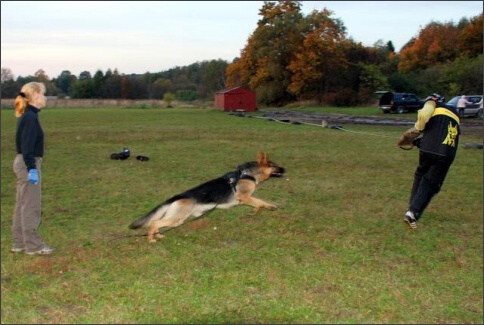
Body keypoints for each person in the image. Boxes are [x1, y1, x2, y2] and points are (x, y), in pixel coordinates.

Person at [397, 93, 460, 229]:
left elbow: (424, 117)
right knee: (431, 182)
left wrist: (417, 130)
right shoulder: (454, 113)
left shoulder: (432, 103)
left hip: (428, 150)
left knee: (421, 174)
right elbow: (443, 133)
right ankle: (412, 212)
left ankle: (413, 206)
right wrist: (418, 141)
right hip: (446, 153)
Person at [11, 82, 54, 255]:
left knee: (22, 203)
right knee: (31, 206)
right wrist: (32, 169)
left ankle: (19, 242)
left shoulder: (29, 115)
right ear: (35, 95)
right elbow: (27, 147)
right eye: (43, 94)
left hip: (24, 163)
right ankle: (33, 245)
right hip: (28, 163)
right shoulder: (30, 117)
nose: (45, 97)